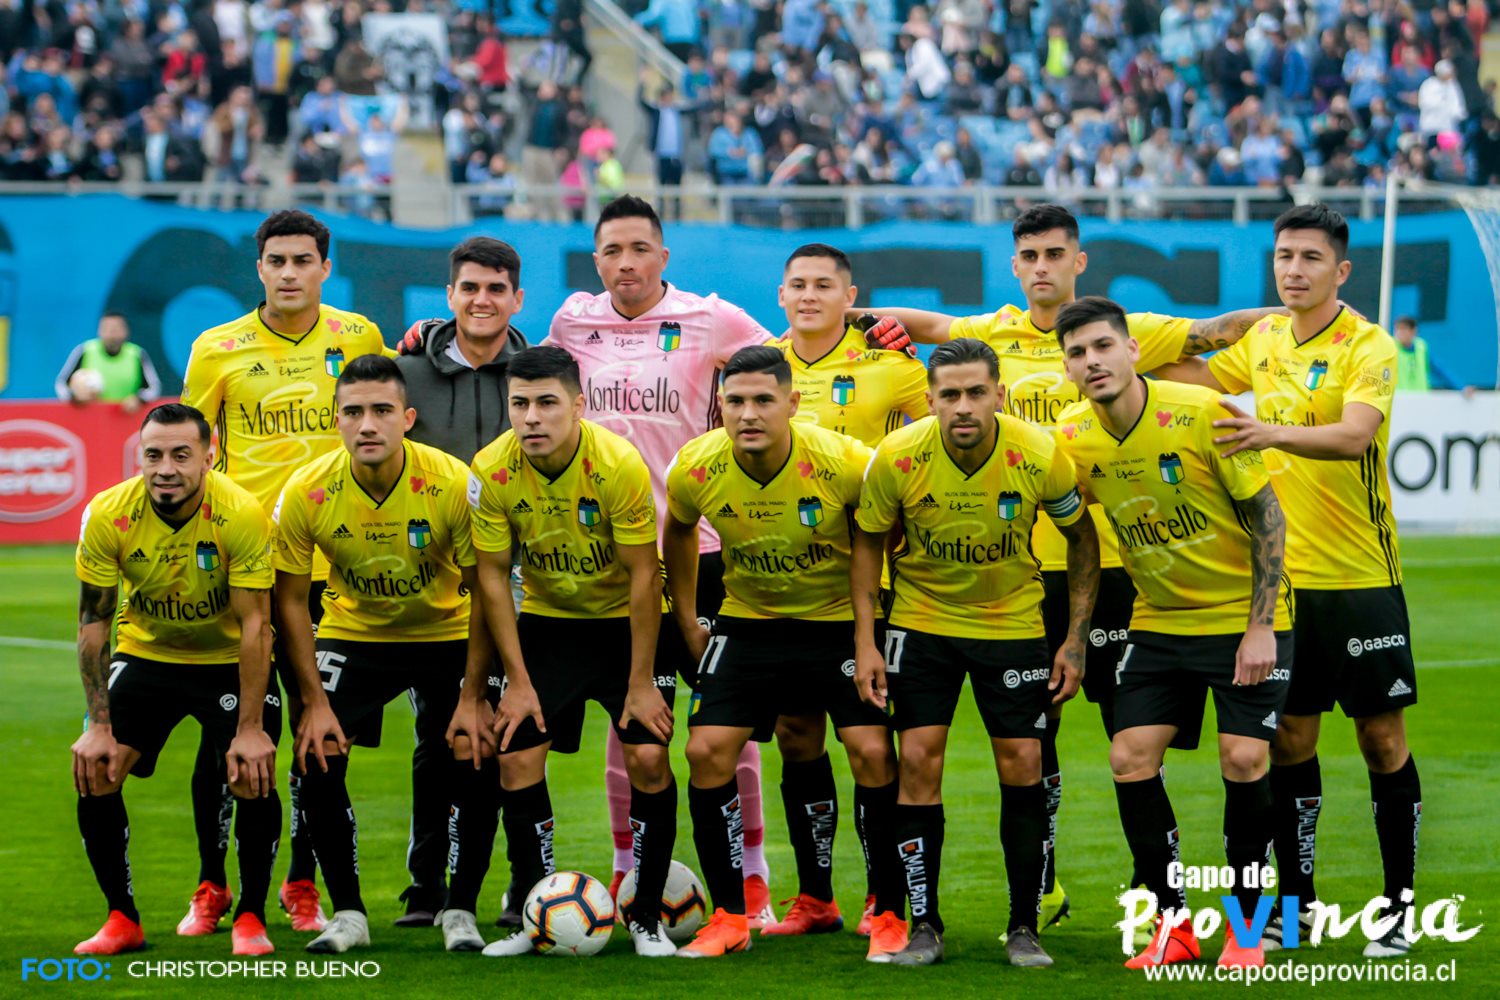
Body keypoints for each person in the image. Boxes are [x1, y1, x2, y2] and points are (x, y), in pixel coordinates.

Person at [857, 204, 1281, 930]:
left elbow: (1220, 329)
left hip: (1108, 568)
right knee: (1034, 738)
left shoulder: (1122, 331)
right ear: (1015, 265)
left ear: (1078, 261)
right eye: (1030, 255)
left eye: (1056, 253)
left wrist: (1303, 313)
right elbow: (928, 324)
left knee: (1133, 739)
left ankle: (1162, 896)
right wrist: (856, 316)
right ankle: (1045, 884)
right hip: (1025, 574)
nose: (1043, 266)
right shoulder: (990, 332)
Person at [398, 195, 779, 925]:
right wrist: (433, 335)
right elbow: (522, 366)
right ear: (596, 259)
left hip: (697, 551)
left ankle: (751, 877)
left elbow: (783, 364)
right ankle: (629, 870)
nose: (626, 263)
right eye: (612, 251)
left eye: (640, 249)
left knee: (720, 729)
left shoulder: (712, 318)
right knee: (627, 735)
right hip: (591, 565)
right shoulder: (574, 322)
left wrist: (865, 327)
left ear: (663, 256)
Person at [1153, 204, 1423, 959]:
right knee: (1291, 741)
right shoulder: (1265, 338)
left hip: (1361, 579)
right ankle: (1295, 908)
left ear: (1341, 270)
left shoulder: (1367, 345)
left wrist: (1267, 430)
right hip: (1285, 586)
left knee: (1381, 739)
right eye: (1283, 257)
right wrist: (1120, 359)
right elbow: (1193, 376)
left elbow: (1354, 436)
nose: (1294, 270)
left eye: (1310, 257)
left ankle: (1399, 909)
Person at [1052, 295, 1292, 970]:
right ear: (1066, 368)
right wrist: (1075, 638)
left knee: (1243, 760)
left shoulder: (1202, 412)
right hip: (1159, 621)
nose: (1092, 361)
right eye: (1077, 353)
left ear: (1133, 350)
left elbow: (1268, 518)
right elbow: (1078, 538)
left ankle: (1248, 929)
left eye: (1103, 346)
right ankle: (1173, 924)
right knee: (1129, 756)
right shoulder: (1073, 438)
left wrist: (1260, 627)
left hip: (1243, 618)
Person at [853, 338, 1098, 968]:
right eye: (950, 394)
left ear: (999, 395)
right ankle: (925, 925)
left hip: (1011, 622)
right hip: (921, 622)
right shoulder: (898, 456)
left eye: (976, 392)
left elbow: (1081, 538)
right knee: (917, 762)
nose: (963, 406)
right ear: (930, 399)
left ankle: (1023, 927)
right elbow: (868, 544)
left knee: (1023, 762)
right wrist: (866, 641)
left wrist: (1074, 640)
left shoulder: (1038, 452)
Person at [182, 209, 385, 937]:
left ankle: (303, 885)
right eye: (277, 260)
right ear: (260, 268)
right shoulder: (217, 347)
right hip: (248, 570)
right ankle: (212, 885)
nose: (290, 273)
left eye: (304, 260)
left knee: (319, 734)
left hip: (336, 570)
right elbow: (188, 448)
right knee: (228, 728)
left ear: (326, 268)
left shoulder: (358, 336)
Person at [664, 346, 901, 960]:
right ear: (720, 406)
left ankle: (887, 909)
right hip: (751, 621)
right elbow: (679, 530)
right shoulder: (696, 466)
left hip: (838, 621)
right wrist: (687, 617)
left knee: (872, 750)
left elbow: (878, 536)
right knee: (707, 750)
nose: (749, 414)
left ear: (792, 403)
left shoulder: (844, 461)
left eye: (763, 400)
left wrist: (867, 637)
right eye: (735, 401)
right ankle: (737, 916)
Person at [272, 355, 490, 954]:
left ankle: (460, 910)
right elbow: (289, 600)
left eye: (382, 411)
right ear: (335, 420)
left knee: (476, 749)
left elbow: (486, 590)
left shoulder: (451, 482)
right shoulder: (307, 490)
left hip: (446, 632)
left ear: (408, 418)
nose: (367, 424)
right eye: (353, 412)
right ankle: (348, 914)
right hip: (355, 633)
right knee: (315, 753)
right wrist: (312, 702)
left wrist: (474, 695)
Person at [467, 347, 678, 957]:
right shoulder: (490, 469)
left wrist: (642, 682)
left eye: (547, 403)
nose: (532, 417)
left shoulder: (618, 464)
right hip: (549, 625)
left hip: (625, 627)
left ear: (578, 405)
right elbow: (492, 578)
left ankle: (646, 918)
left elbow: (645, 575)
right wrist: (517, 681)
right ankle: (535, 918)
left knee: (648, 759)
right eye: (520, 404)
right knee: (516, 761)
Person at [70, 403, 282, 958]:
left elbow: (257, 626)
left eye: (181, 455)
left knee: (251, 771)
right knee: (97, 770)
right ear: (140, 457)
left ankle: (251, 915)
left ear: (208, 458)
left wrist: (251, 729)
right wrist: (97, 725)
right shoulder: (108, 514)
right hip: (149, 654)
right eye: (154, 455)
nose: (166, 468)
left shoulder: (241, 513)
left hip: (227, 658)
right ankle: (122, 918)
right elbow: (94, 624)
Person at [766, 243, 926, 940]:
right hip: (783, 590)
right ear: (781, 295)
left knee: (870, 748)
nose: (809, 295)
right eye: (798, 284)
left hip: (870, 588)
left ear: (850, 296)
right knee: (796, 736)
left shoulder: (894, 367)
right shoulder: (760, 365)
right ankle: (815, 898)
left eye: (823, 285)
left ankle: (882, 898)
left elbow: (940, 439)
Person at [385, 237, 529, 926]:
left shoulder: (536, 371)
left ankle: (519, 885)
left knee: (509, 734)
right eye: (469, 287)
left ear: (517, 299)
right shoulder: (405, 370)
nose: (482, 300)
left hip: (517, 582)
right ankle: (427, 885)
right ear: (449, 296)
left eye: (496, 288)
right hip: (432, 586)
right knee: (436, 735)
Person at [54, 312, 162, 412]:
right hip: (90, 417)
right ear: (99, 331)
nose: (112, 333)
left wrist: (139, 399)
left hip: (127, 418)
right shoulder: (84, 350)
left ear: (126, 331)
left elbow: (154, 388)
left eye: (116, 328)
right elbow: (61, 383)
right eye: (107, 328)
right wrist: (74, 397)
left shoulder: (137, 354)